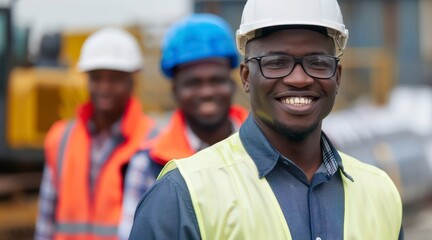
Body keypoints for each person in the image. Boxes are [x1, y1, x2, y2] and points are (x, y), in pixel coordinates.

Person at [130, 0, 404, 239]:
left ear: (338, 76)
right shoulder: (183, 195)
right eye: (276, 62)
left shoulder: (380, 193)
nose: (300, 79)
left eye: (318, 62)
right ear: (246, 77)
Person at [118, 13, 248, 239]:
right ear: (175, 90)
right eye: (193, 83)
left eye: (216, 80)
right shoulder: (148, 165)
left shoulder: (269, 150)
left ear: (232, 82)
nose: (206, 92)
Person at [35, 28, 156, 240]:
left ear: (132, 80)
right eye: (97, 78)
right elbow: (46, 220)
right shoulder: (61, 138)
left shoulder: (153, 140)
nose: (104, 87)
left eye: (115, 79)